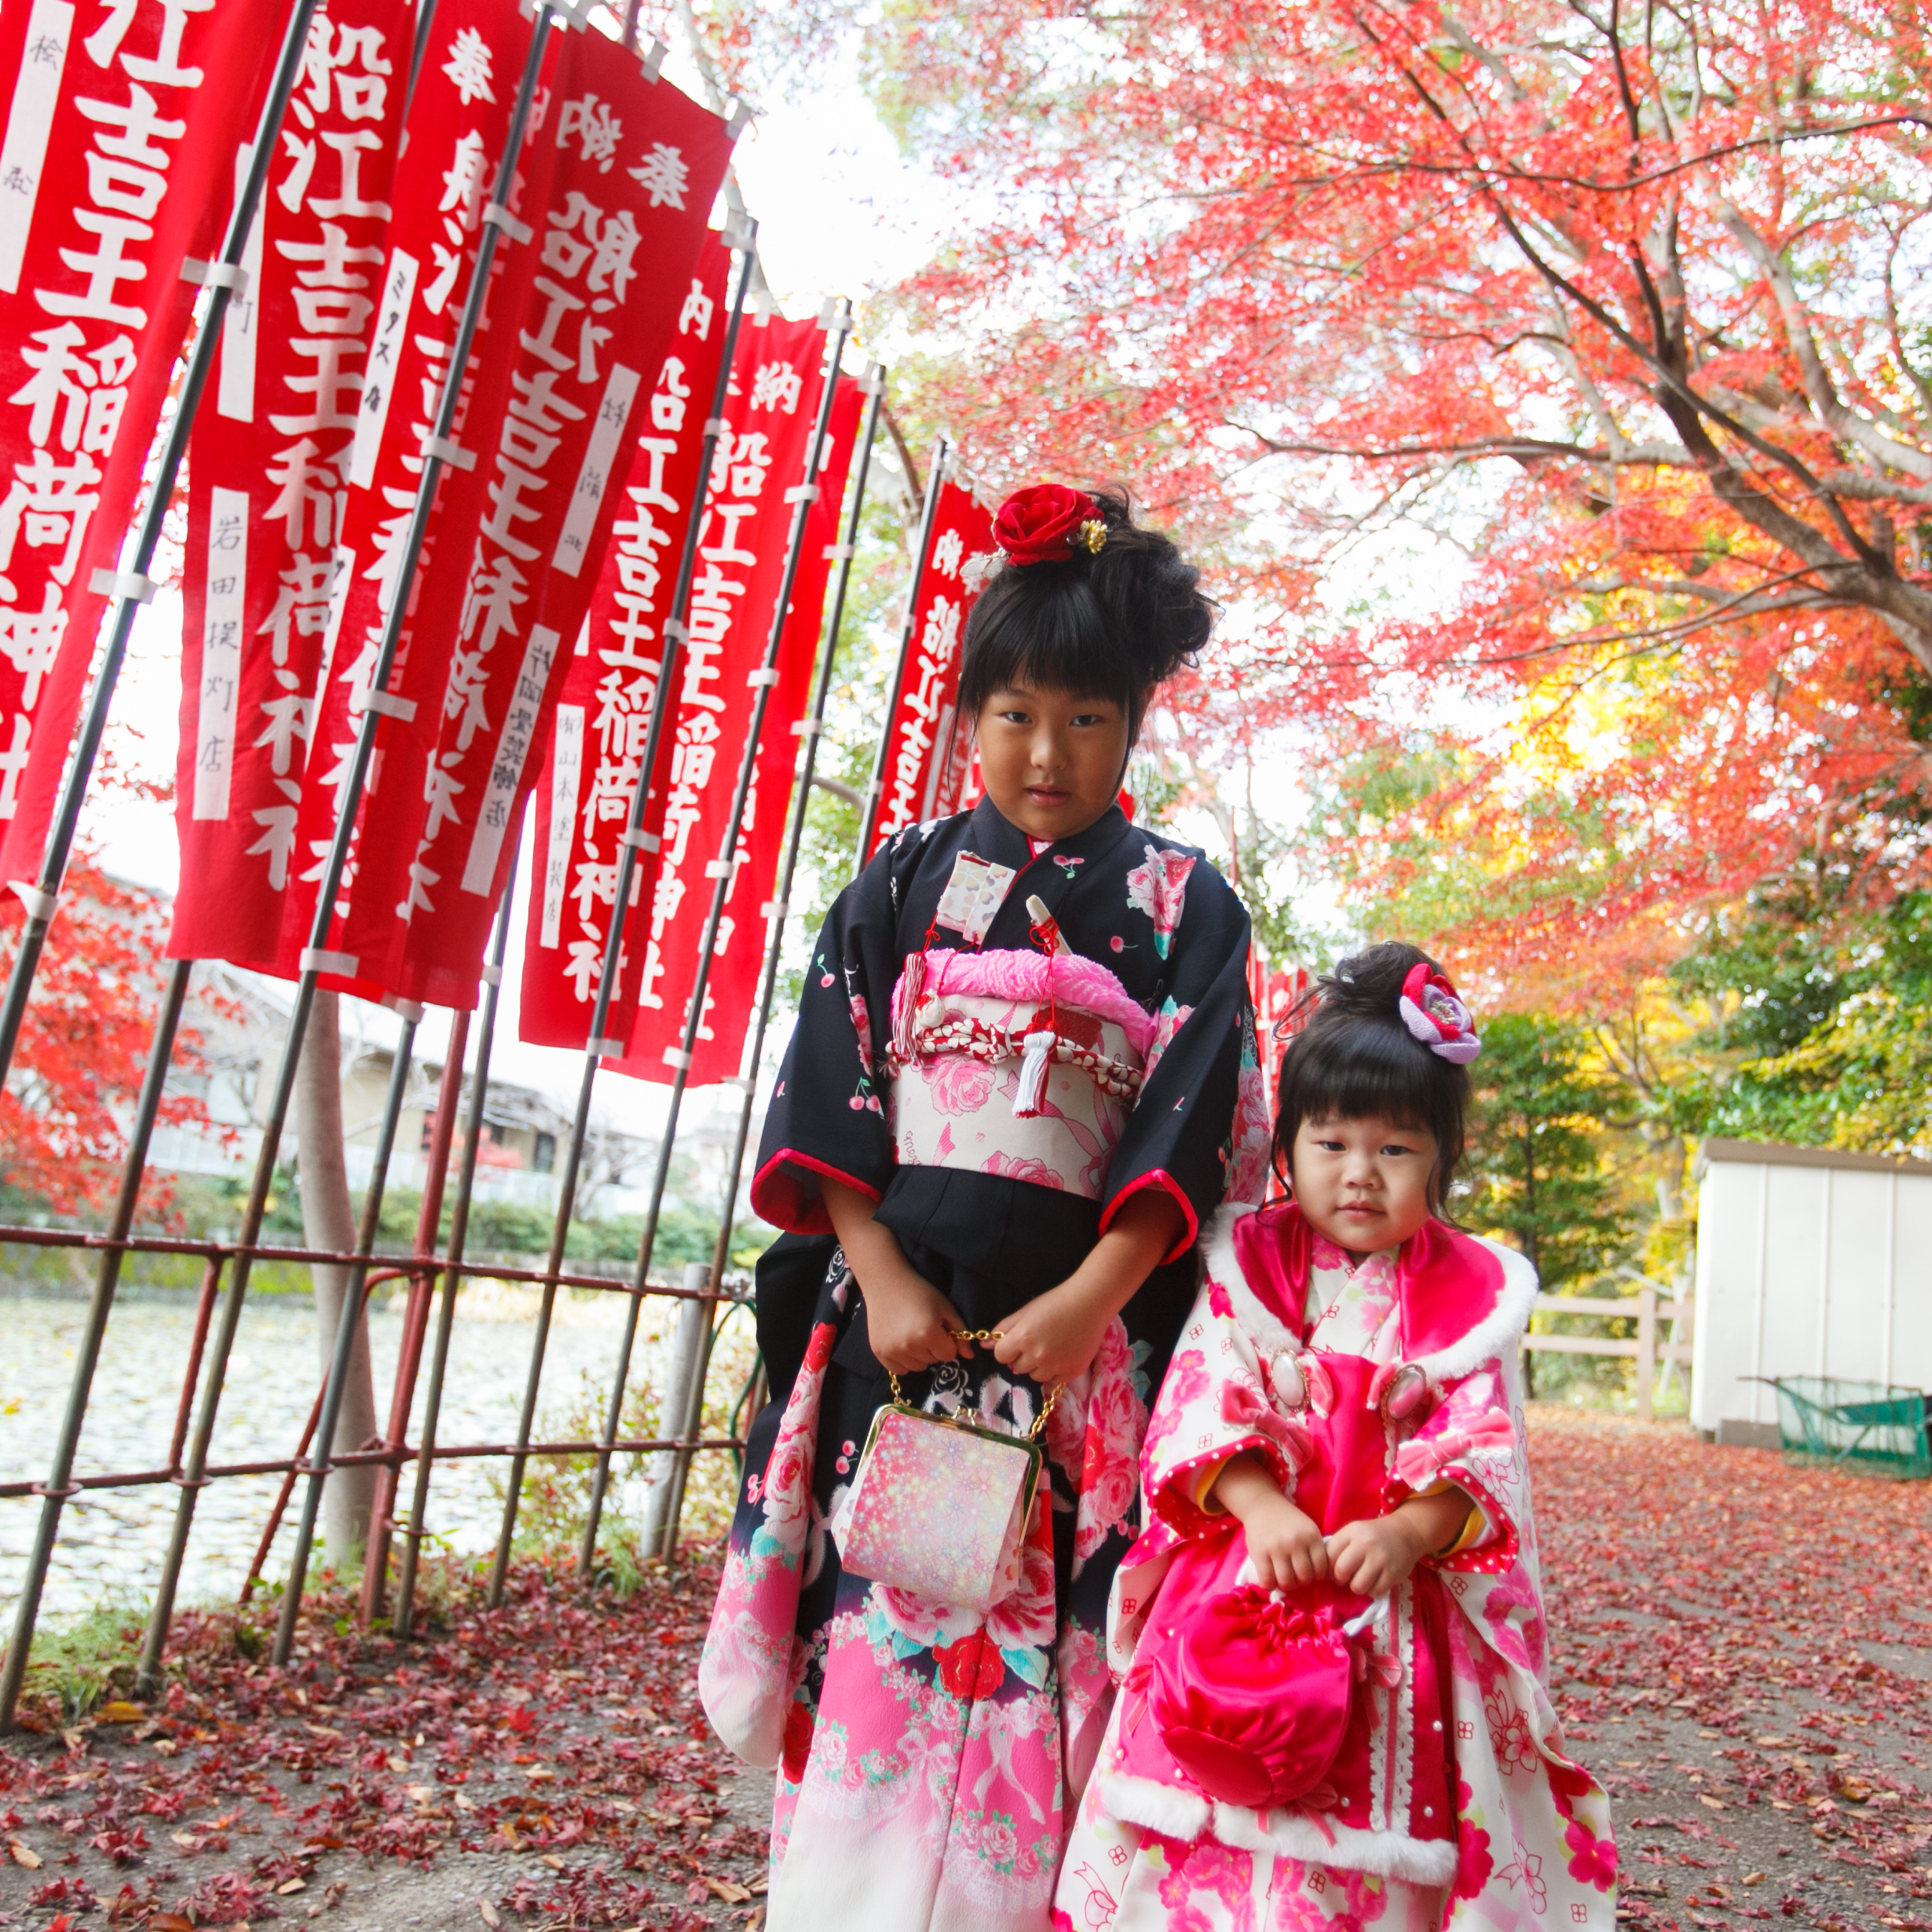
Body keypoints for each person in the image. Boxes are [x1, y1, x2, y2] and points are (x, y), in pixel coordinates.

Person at [698, 482, 1271, 1931]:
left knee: (1049, 1657)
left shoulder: (1186, 903)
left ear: (1133, 725)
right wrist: (882, 1275)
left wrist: (1091, 1300)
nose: (1046, 751)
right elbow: (833, 1089)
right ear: (968, 715)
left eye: (1086, 717)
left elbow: (1196, 1122)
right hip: (902, 1328)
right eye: (1013, 712)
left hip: (1078, 1345)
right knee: (876, 1630)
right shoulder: (898, 880)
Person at [1053, 943, 1617, 1930]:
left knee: (1373, 1821)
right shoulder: (1247, 1264)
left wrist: (1408, 1531)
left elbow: (1482, 1449)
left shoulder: (1467, 1299)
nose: (1360, 1174)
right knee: (1208, 1784)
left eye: (1395, 1149)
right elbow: (1199, 1397)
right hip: (1248, 1569)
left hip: (1390, 1601)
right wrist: (1256, 1501)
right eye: (1331, 1142)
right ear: (1289, 1145)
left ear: (1440, 1158)